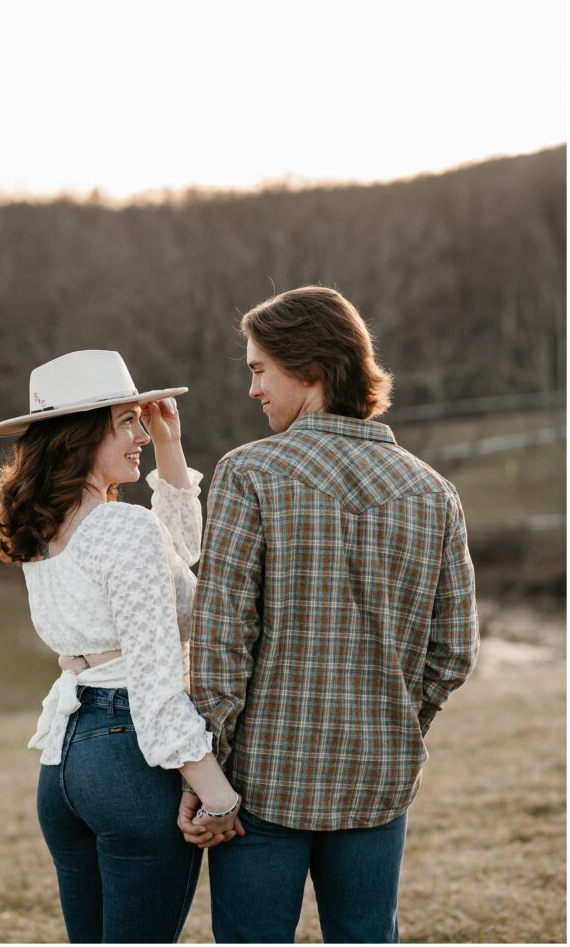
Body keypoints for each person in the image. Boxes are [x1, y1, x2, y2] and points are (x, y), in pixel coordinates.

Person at [178, 286, 479, 944]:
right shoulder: (433, 492)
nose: (252, 388)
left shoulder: (248, 473)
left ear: (308, 365)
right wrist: (400, 723)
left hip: (261, 781)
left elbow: (222, 641)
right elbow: (454, 651)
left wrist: (211, 773)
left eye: (260, 369)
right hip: (379, 776)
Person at [0, 349, 243, 945]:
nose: (141, 437)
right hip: (127, 762)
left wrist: (172, 453)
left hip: (65, 766)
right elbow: (154, 684)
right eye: (126, 422)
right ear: (79, 437)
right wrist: (216, 794)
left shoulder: (47, 529)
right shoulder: (119, 527)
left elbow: (175, 557)